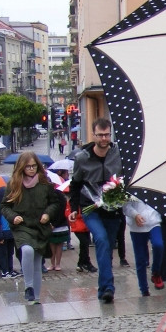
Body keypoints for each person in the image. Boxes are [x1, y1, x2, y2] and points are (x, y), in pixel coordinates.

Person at [69, 118, 123, 304]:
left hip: (113, 208)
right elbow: (75, 184)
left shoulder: (117, 154)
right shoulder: (82, 158)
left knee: (106, 248)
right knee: (100, 239)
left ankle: (103, 290)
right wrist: (74, 208)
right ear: (94, 135)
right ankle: (108, 287)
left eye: (107, 134)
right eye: (100, 135)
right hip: (90, 208)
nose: (104, 138)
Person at [1, 152, 61, 304]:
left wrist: (48, 214)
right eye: (28, 167)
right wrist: (13, 217)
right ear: (22, 167)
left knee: (37, 262)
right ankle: (28, 287)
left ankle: (36, 298)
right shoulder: (14, 183)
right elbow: (5, 206)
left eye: (34, 166)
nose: (31, 169)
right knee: (27, 250)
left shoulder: (44, 183)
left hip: (40, 227)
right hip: (22, 226)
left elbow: (55, 203)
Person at [123, 197, 165, 296]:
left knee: (158, 245)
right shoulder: (127, 187)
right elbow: (125, 206)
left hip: (153, 221)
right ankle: (144, 289)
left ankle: (156, 272)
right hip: (137, 226)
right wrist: (135, 215)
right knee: (140, 259)